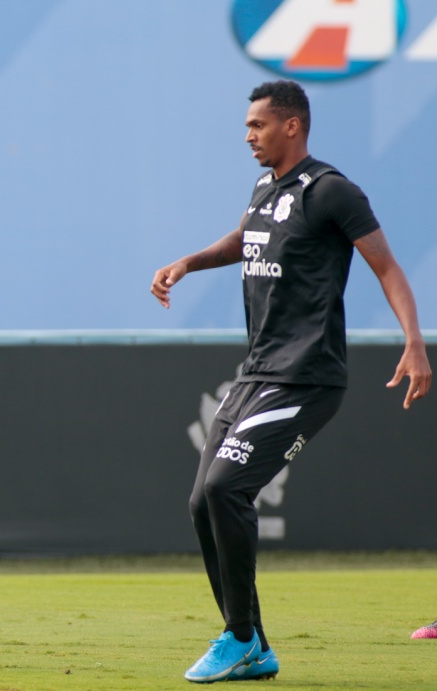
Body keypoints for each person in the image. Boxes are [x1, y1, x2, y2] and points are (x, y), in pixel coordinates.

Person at [150, 80, 431, 683]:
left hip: (307, 378)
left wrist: (413, 341)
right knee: (202, 501)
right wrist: (190, 262)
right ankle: (257, 646)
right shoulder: (263, 187)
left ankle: (240, 636)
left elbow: (386, 266)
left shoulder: (331, 190)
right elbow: (247, 238)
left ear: (292, 126)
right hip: (257, 372)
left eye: (257, 125)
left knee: (226, 488)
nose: (248, 135)